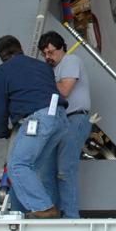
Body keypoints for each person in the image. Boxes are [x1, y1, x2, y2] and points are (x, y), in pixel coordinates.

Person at [0, 35, 67, 218]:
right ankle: (27, 210)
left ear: (1, 56)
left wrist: (2, 131)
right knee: (29, 169)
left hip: (37, 120)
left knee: (17, 165)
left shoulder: (1, 73)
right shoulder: (42, 66)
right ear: (20, 48)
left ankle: (44, 208)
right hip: (60, 118)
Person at [38, 30, 92, 219]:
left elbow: (65, 90)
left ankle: (70, 215)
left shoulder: (70, 61)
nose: (48, 57)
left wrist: (41, 84)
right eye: (44, 54)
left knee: (64, 169)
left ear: (61, 48)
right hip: (60, 122)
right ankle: (54, 212)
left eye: (51, 52)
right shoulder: (53, 70)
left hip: (74, 118)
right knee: (47, 170)